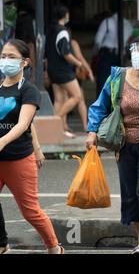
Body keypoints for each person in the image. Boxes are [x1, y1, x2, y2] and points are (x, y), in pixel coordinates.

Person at [86, 35, 139, 254]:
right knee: (130, 192)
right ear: (130, 52)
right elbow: (99, 106)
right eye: (137, 49)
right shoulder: (116, 78)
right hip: (123, 143)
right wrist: (91, 131)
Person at [0, 39, 64, 254]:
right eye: (2, 56)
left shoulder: (29, 90)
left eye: (11, 57)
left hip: (18, 158)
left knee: (30, 212)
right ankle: (1, 244)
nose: (5, 60)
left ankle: (54, 247)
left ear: (25, 62)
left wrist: (2, 141)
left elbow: (24, 123)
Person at [45, 5, 84, 138]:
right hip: (63, 70)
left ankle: (58, 131)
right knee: (77, 96)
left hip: (52, 69)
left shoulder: (50, 30)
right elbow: (66, 53)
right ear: (65, 15)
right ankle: (55, 121)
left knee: (59, 99)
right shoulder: (63, 31)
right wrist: (79, 63)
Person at [94, 6, 134, 97]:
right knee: (118, 83)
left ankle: (102, 107)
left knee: (103, 82)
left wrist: (97, 52)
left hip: (107, 54)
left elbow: (97, 40)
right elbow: (129, 42)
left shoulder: (107, 22)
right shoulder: (128, 24)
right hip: (121, 56)